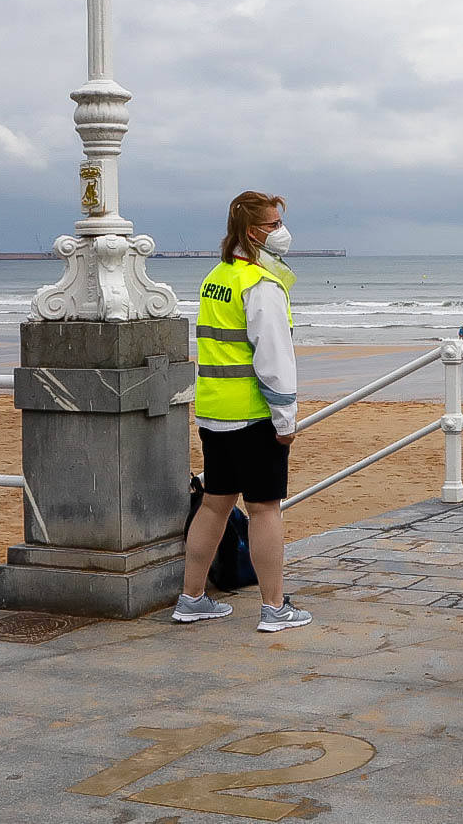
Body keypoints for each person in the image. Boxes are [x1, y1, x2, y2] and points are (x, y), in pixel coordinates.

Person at [172, 190, 313, 633]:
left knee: (214, 505)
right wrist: (286, 418)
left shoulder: (217, 276)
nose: (282, 232)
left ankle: (191, 598)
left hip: (214, 412)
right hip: (253, 417)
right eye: (274, 225)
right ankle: (274, 608)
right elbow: (273, 357)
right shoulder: (261, 285)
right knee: (265, 509)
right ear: (254, 232)